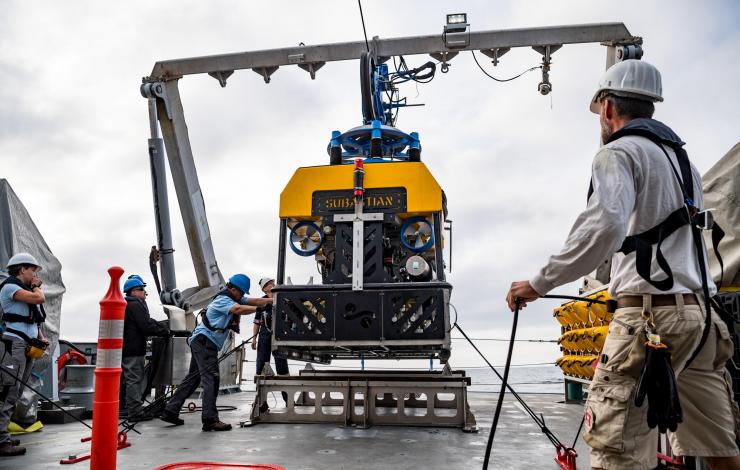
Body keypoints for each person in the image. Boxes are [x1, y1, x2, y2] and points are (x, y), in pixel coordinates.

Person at [505, 60, 740, 470]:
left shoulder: (617, 152)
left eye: (599, 113)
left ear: (609, 108)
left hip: (648, 322)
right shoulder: (687, 166)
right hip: (701, 323)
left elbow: (604, 228)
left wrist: (538, 283)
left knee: (616, 449)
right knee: (718, 445)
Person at [160, 274, 271, 431]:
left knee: (193, 379)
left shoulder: (234, 297)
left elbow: (257, 300)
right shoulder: (224, 300)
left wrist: (273, 301)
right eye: (241, 293)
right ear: (233, 289)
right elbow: (238, 309)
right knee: (211, 378)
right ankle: (210, 419)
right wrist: (260, 308)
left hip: (202, 341)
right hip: (205, 342)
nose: (242, 296)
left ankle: (170, 411)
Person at [0, 253, 48, 457]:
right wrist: (37, 286)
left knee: (18, 391)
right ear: (22, 269)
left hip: (27, 346)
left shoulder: (26, 289)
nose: (35, 275)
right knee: (7, 392)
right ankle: (1, 441)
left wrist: (41, 337)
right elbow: (40, 298)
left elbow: (32, 320)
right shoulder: (10, 287)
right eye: (33, 271)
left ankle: (3, 436)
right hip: (14, 345)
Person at [121, 274, 169, 422]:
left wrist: (160, 326)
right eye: (142, 290)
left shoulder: (128, 304)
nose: (144, 293)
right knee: (134, 379)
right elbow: (146, 325)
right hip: (133, 350)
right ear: (134, 291)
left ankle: (130, 407)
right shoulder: (135, 304)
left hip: (128, 348)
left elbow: (145, 322)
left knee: (130, 379)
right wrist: (164, 330)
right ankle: (135, 412)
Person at [252, 277, 289, 406]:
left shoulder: (282, 297)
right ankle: (261, 402)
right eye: (268, 284)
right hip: (264, 335)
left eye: (272, 282)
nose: (272, 284)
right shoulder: (261, 302)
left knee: (282, 367)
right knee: (261, 365)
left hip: (279, 336)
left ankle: (288, 400)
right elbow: (257, 322)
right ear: (264, 288)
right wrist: (254, 339)